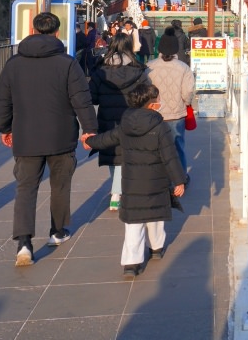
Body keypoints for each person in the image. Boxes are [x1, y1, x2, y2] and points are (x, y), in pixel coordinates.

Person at [0, 12, 97, 267]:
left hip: (26, 136)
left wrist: (5, 128)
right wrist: (89, 131)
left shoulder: (14, 63)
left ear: (33, 29)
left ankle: (24, 244)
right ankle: (57, 231)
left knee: (25, 188)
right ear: (57, 32)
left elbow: (2, 100)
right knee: (60, 185)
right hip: (61, 135)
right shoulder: (67, 63)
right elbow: (81, 100)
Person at [84, 83, 187, 278]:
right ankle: (156, 248)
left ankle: (131, 263)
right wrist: (179, 181)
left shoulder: (125, 124)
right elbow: (170, 156)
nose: (159, 103)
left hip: (132, 182)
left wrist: (89, 141)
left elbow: (107, 139)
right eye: (156, 100)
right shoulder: (160, 127)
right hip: (155, 181)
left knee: (133, 224)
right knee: (155, 217)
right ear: (151, 105)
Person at [88, 31, 148, 211]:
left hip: (107, 119)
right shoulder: (139, 70)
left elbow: (93, 98)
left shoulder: (100, 71)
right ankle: (119, 191)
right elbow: (145, 95)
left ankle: (116, 191)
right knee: (126, 155)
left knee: (112, 154)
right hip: (131, 118)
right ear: (129, 47)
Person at [147, 30, 196, 179]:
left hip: (154, 115)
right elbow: (188, 92)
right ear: (175, 49)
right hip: (176, 114)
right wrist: (185, 103)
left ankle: (158, 178)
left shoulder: (149, 67)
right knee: (177, 147)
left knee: (155, 148)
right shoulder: (183, 68)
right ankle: (180, 177)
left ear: (159, 49)